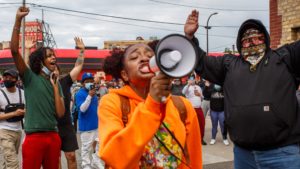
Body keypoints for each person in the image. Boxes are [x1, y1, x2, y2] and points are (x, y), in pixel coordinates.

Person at [184, 10, 300, 169]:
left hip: (282, 154)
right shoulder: (229, 64)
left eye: (256, 36)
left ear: (264, 37)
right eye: (246, 38)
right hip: (244, 155)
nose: (251, 41)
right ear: (240, 42)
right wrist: (190, 38)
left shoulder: (285, 57)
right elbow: (202, 62)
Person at [98, 44, 202, 169]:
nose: (144, 59)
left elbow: (194, 157)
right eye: (135, 57)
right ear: (125, 75)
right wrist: (152, 105)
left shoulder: (182, 105)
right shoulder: (111, 102)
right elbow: (113, 156)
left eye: (150, 56)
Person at [11, 6, 65, 169]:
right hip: (34, 138)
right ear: (40, 61)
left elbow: (60, 113)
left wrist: (55, 86)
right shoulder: (29, 77)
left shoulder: (55, 82)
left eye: (53, 55)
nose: (53, 57)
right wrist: (18, 20)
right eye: (49, 56)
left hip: (53, 136)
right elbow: (14, 51)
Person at [57, 37, 85, 169]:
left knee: (71, 156)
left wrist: (81, 51)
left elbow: (78, 66)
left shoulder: (65, 81)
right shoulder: (43, 84)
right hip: (51, 126)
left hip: (66, 125)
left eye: (56, 70)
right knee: (55, 159)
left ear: (59, 73)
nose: (53, 72)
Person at [0, 69, 25, 169]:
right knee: (12, 162)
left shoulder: (22, 93)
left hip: (18, 131)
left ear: (16, 80)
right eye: (5, 77)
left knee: (7, 161)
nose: (7, 79)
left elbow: (29, 108)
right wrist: (14, 113)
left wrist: (24, 111)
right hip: (4, 131)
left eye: (10, 77)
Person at [75, 72, 99, 169]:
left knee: (98, 149)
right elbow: (82, 109)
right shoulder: (79, 94)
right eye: (87, 81)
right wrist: (89, 96)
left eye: (91, 80)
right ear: (83, 83)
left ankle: (95, 165)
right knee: (85, 151)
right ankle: (86, 166)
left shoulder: (94, 93)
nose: (90, 82)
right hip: (86, 128)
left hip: (97, 126)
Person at [182, 75, 206, 145]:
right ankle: (191, 140)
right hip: (191, 109)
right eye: (190, 79)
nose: (192, 80)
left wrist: (199, 95)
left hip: (199, 108)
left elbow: (202, 98)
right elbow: (183, 92)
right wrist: (188, 84)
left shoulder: (198, 87)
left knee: (201, 124)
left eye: (193, 79)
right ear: (188, 80)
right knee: (191, 125)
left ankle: (201, 139)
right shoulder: (187, 87)